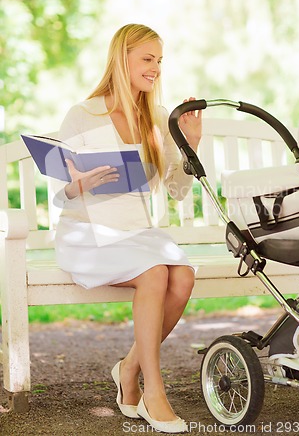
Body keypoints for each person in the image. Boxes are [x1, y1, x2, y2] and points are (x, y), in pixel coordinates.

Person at [54, 23, 202, 433]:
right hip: (87, 232)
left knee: (183, 276)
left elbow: (175, 190)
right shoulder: (82, 115)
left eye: (159, 61)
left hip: (137, 233)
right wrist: (75, 187)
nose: (155, 69)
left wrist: (190, 144)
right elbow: (60, 196)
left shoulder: (156, 117)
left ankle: (128, 368)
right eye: (147, 59)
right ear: (123, 59)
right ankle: (152, 390)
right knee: (156, 273)